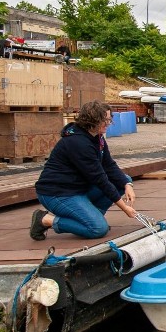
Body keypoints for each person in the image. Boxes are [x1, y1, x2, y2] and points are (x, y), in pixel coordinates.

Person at [31, 100, 138, 240]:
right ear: (92, 120)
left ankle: (93, 217)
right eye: (104, 120)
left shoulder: (97, 137)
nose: (108, 123)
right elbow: (100, 179)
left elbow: (109, 165)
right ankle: (44, 220)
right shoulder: (78, 143)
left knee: (123, 180)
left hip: (78, 188)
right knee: (98, 229)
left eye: (109, 119)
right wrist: (124, 208)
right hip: (57, 193)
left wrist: (127, 184)